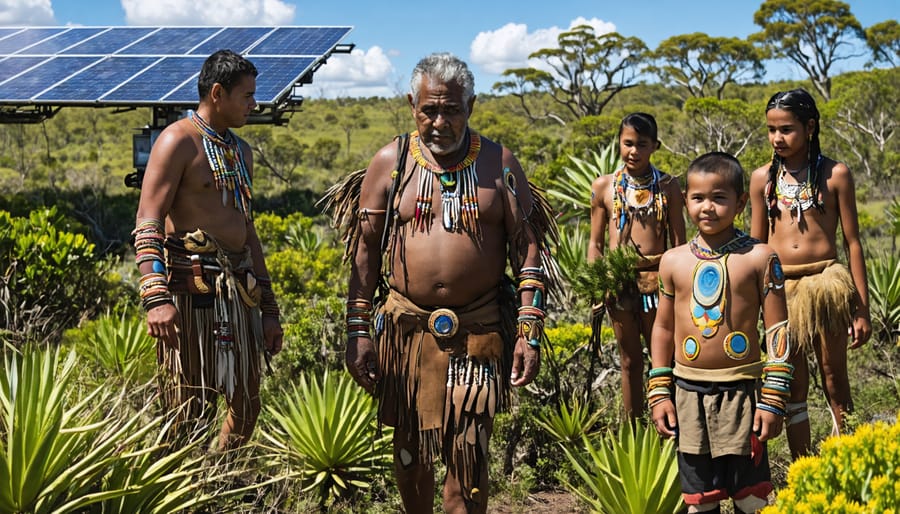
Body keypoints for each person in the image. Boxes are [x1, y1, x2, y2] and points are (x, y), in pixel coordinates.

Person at [324, 53, 558, 514]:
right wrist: (358, 333)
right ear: (412, 104)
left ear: (471, 105)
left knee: (468, 459)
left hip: (479, 332)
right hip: (406, 335)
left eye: (451, 109)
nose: (439, 121)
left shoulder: (498, 163)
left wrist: (529, 332)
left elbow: (528, 249)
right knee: (410, 458)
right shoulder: (389, 163)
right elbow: (365, 255)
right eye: (428, 109)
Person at [132, 49, 283, 452]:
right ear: (217, 93)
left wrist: (268, 308)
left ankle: (220, 477)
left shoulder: (241, 151)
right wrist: (156, 297)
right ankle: (185, 483)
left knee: (247, 400)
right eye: (247, 95)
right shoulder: (177, 142)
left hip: (240, 291)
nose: (255, 103)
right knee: (189, 403)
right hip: (191, 293)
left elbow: (247, 231)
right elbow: (148, 219)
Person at [650, 152, 791, 514]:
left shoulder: (760, 257)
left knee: (751, 500)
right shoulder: (673, 260)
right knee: (700, 501)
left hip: (743, 393)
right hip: (687, 393)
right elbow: (663, 328)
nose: (707, 208)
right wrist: (659, 392)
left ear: (741, 202)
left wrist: (773, 398)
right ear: (685, 201)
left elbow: (778, 330)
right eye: (697, 198)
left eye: (719, 198)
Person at [748, 88, 871, 459]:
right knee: (792, 383)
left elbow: (853, 243)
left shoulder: (835, 175)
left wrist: (861, 308)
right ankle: (803, 467)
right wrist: (752, 304)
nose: (777, 138)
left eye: (786, 129)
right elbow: (756, 248)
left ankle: (847, 459)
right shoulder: (762, 180)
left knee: (835, 379)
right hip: (781, 291)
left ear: (810, 127)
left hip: (827, 285)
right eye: (771, 130)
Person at [588, 112, 686, 419]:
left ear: (655, 146)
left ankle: (671, 428)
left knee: (664, 358)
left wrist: (680, 285)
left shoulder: (668, 187)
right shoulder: (604, 187)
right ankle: (634, 431)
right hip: (619, 282)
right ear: (618, 143)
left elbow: (679, 242)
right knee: (629, 361)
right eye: (627, 143)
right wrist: (597, 283)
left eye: (642, 144)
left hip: (658, 282)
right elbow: (596, 243)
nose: (634, 151)